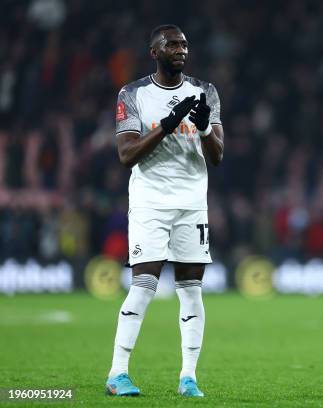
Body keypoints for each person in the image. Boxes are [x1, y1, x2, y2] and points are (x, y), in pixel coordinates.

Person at [105, 24, 224, 398]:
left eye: (185, 44)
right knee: (143, 286)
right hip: (150, 203)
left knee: (191, 291)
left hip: (191, 204)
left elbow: (217, 157)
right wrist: (169, 125)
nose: (181, 50)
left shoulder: (205, 92)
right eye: (172, 44)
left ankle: (188, 377)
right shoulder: (134, 93)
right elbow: (127, 155)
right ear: (154, 51)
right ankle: (117, 373)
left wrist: (204, 128)